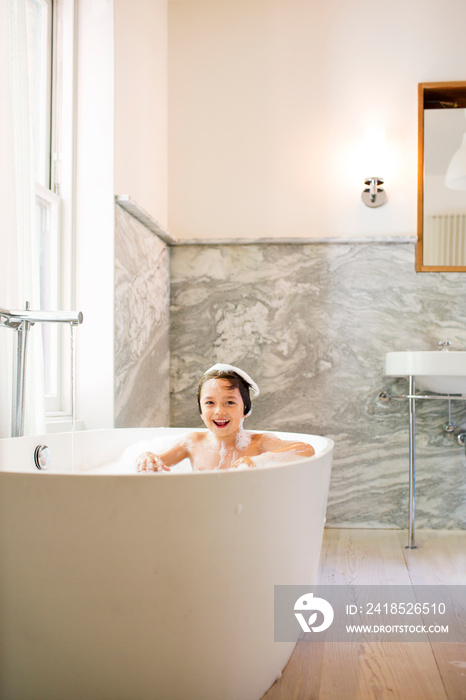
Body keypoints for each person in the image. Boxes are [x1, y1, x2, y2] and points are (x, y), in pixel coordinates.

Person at [136, 363, 315, 473]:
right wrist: (146, 457)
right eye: (210, 403)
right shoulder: (192, 442)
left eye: (229, 402)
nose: (219, 411)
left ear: (245, 409)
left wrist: (257, 461)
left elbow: (306, 449)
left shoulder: (259, 443)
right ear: (200, 410)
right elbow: (156, 460)